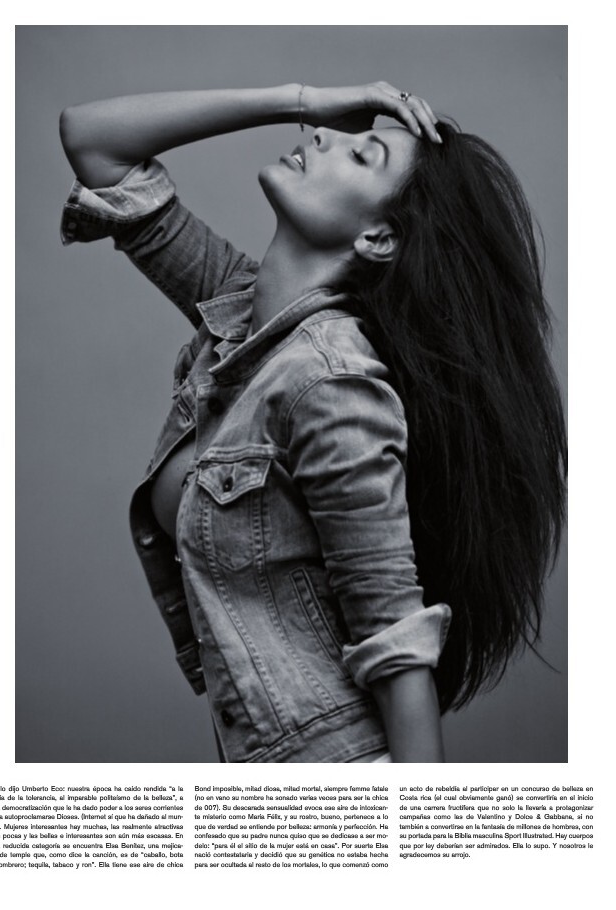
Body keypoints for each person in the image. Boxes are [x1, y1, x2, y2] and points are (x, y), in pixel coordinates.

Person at [59, 82, 567, 763]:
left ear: (378, 237)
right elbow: (94, 144)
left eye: (362, 156)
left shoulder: (331, 384)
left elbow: (396, 643)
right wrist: (303, 99)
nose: (323, 137)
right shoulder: (238, 315)